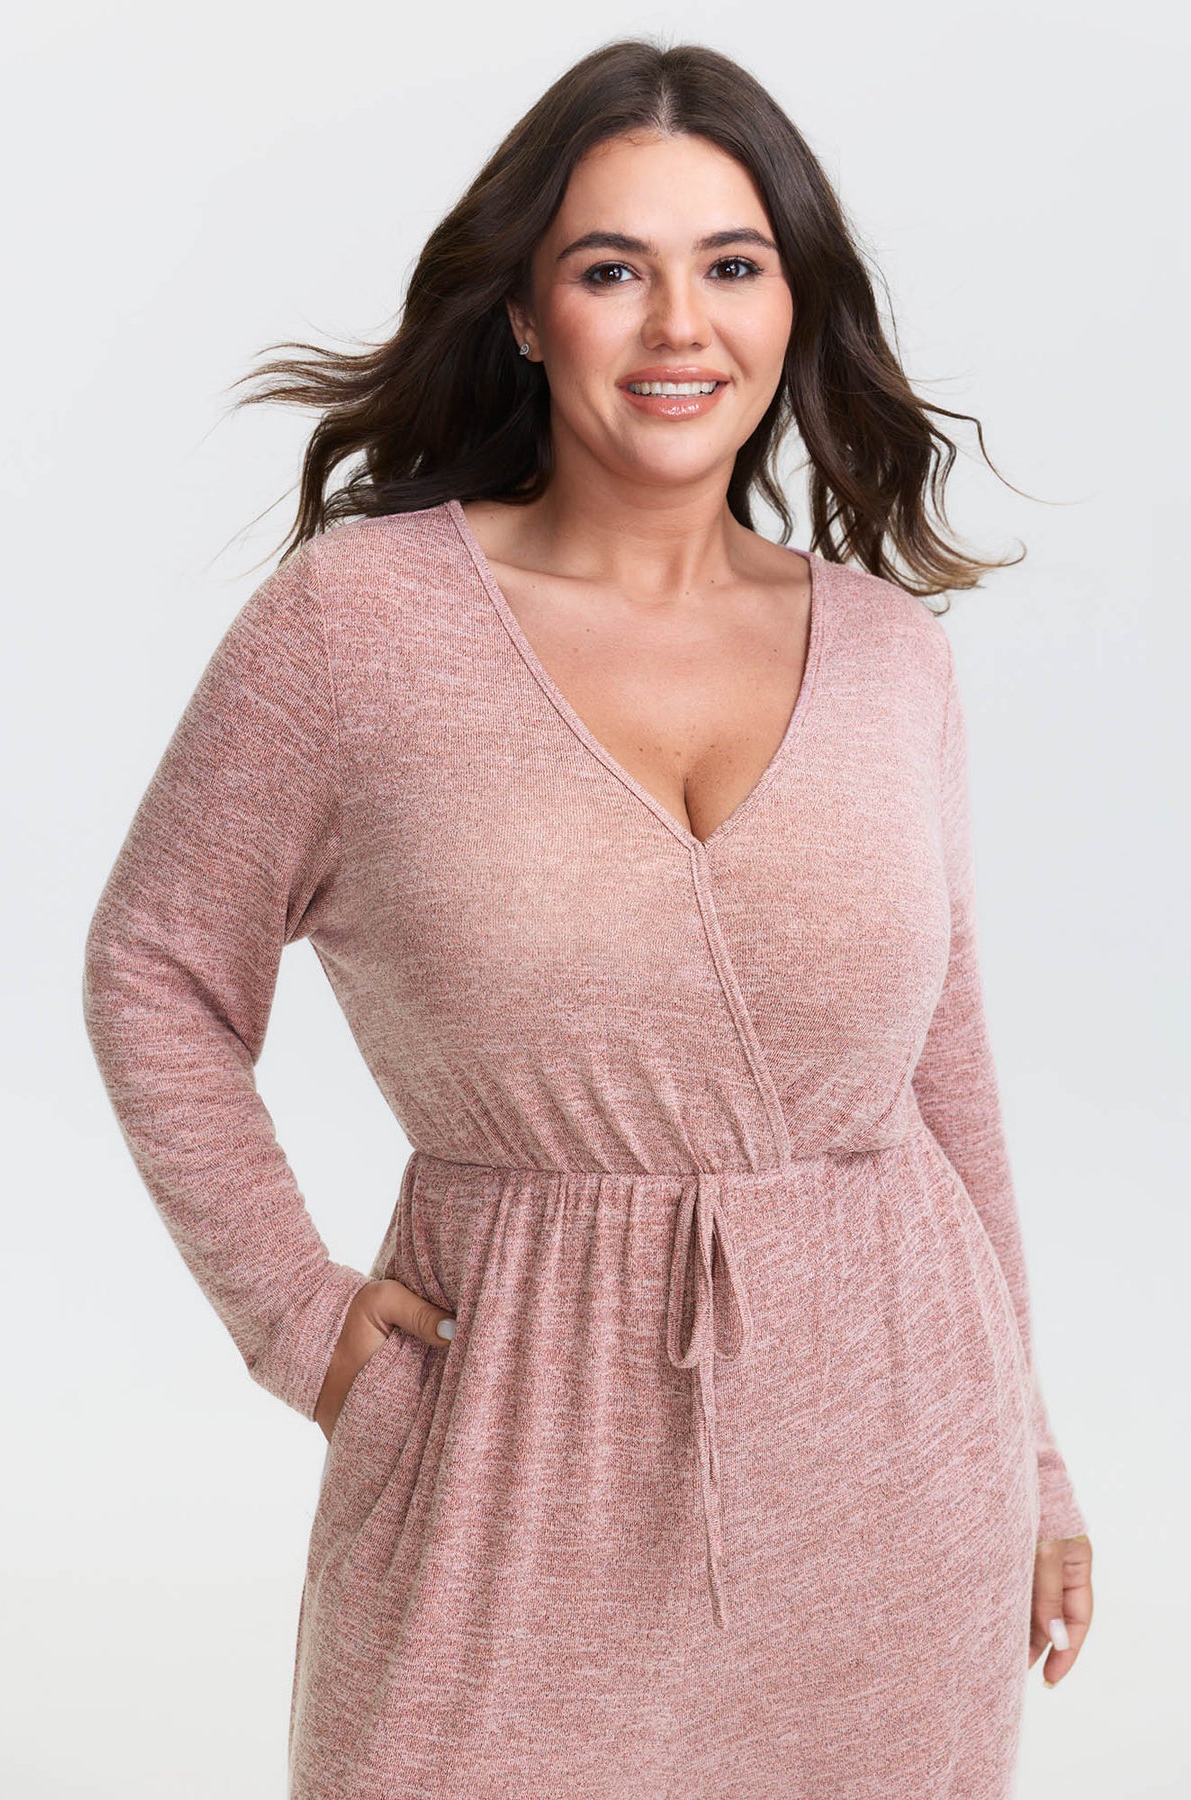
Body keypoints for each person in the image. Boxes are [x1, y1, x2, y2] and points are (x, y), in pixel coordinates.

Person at [82, 36, 1094, 1799]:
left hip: (895, 1459)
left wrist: (1037, 1463)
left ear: (792, 307)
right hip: (510, 1446)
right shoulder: (355, 626)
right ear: (526, 314)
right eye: (612, 269)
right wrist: (300, 1319)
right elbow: (153, 970)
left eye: (732, 266)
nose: (678, 324)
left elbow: (945, 1076)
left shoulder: (888, 658)